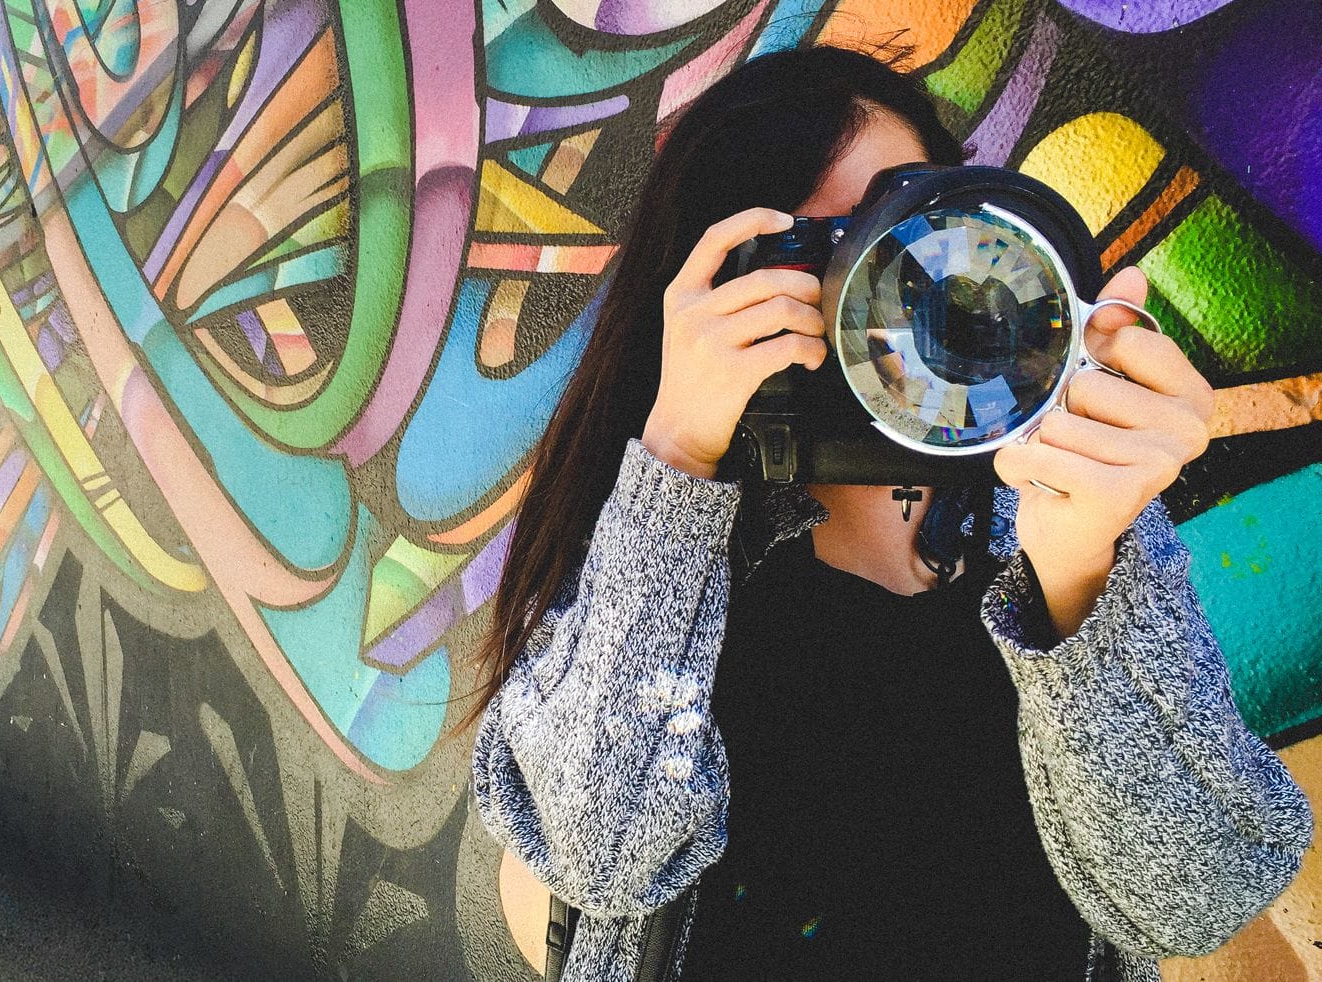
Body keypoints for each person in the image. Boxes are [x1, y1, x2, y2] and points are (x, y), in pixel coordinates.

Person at [469, 44, 1313, 982]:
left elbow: (1198, 895)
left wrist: (1077, 570)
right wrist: (674, 460)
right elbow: (602, 854)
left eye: (904, 234)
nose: (871, 292)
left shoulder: (1055, 485)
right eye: (817, 252)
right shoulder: (655, 515)